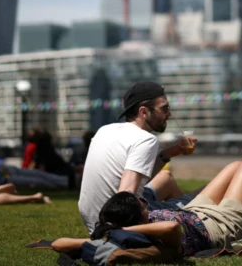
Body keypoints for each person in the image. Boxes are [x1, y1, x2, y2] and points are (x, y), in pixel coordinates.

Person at [54, 157, 242, 257]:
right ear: (139, 219)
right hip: (218, 227)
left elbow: (57, 243)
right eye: (141, 204)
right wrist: (120, 232)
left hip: (196, 212)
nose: (145, 203)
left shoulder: (121, 230)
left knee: (235, 166)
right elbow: (172, 227)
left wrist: (111, 231)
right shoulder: (154, 233)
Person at [78, 81, 198, 234]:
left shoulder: (105, 130)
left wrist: (172, 152)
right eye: (165, 108)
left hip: (94, 219)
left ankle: (189, 221)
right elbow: (125, 193)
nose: (169, 114)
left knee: (165, 178)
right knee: (203, 197)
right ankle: (194, 220)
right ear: (144, 112)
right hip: (117, 222)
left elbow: (135, 179)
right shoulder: (145, 140)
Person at [0, 134, 68, 189]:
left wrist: (5, 171)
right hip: (5, 180)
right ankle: (64, 185)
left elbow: (0, 165)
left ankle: (66, 180)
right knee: (38, 181)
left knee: (38, 173)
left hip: (10, 172)